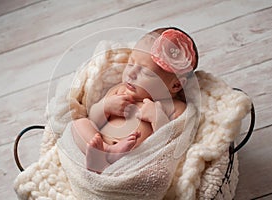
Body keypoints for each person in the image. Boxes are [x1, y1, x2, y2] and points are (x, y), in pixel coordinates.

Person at [71, 27, 198, 173]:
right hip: (98, 147)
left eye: (145, 72)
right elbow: (94, 119)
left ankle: (106, 165)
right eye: (131, 63)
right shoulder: (120, 91)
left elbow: (171, 143)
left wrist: (158, 118)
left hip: (133, 161)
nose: (131, 73)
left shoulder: (174, 107)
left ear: (175, 85)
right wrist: (105, 107)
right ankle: (105, 154)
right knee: (79, 124)